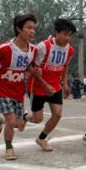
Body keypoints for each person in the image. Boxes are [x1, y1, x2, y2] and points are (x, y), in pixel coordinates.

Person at [0, 13, 38, 160]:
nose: (32, 31)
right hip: (1, 89)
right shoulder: (4, 48)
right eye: (28, 28)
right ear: (19, 29)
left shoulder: (33, 50)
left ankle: (0, 120)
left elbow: (29, 69)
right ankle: (9, 148)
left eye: (34, 28)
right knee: (12, 121)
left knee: (19, 125)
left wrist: (32, 72)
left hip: (18, 91)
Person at [24, 18, 76, 151]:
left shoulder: (70, 50)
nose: (67, 38)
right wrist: (45, 85)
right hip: (37, 86)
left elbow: (65, 67)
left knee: (58, 114)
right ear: (56, 33)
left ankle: (41, 138)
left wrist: (64, 84)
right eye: (65, 34)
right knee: (37, 119)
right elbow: (32, 69)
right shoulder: (44, 47)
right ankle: (23, 116)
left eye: (70, 35)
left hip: (55, 86)